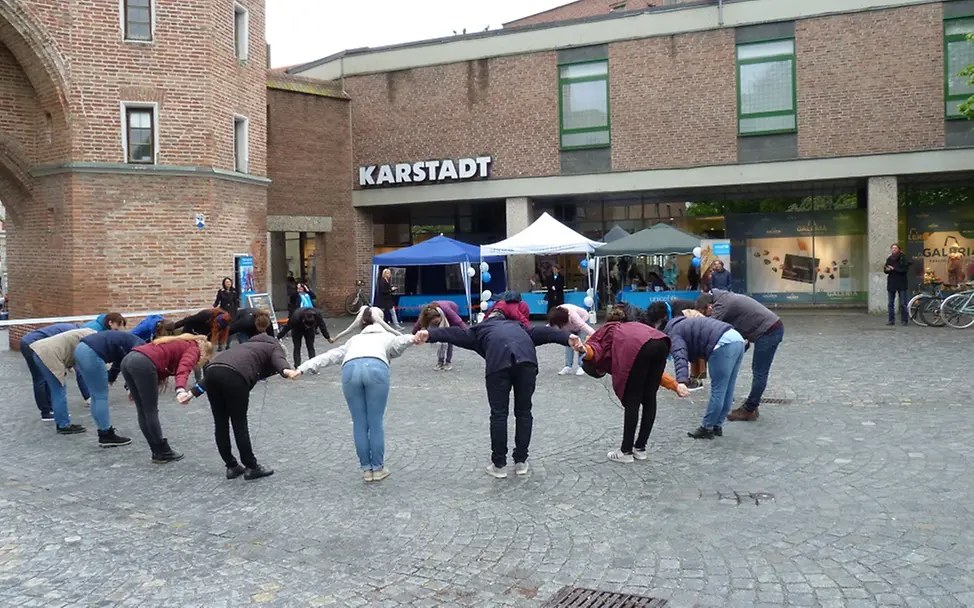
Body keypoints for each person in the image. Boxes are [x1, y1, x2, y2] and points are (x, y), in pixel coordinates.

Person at [416, 308, 578, 479]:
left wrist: (429, 334)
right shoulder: (519, 327)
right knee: (524, 413)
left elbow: (454, 333)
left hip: (498, 364)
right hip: (527, 363)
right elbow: (544, 332)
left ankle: (499, 465)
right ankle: (521, 462)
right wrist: (568, 337)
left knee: (499, 415)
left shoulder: (479, 330)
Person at [295, 307, 419, 482]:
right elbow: (400, 342)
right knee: (375, 422)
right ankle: (378, 468)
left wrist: (302, 368)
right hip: (376, 369)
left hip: (350, 370)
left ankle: (367, 470)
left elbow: (331, 355)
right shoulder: (386, 336)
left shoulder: (353, 340)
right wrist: (413, 338)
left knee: (359, 423)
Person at [180, 312, 296, 480]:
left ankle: (232, 466)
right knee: (239, 424)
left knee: (220, 424)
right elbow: (279, 360)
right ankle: (251, 467)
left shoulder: (244, 346)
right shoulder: (274, 346)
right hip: (235, 378)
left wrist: (192, 393)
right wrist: (286, 371)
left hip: (213, 371)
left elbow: (218, 369)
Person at [574, 317, 685, 463]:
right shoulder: (624, 330)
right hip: (661, 342)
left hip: (639, 347)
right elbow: (655, 374)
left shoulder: (603, 337)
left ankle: (626, 451)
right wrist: (675, 385)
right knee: (649, 398)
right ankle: (640, 449)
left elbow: (593, 352)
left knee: (632, 399)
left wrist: (583, 350)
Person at [120, 334, 215, 463]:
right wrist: (180, 389)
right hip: (142, 363)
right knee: (150, 411)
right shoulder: (194, 349)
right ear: (205, 354)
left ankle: (156, 450)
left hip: (128, 359)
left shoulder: (179, 341)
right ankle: (161, 451)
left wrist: (131, 387)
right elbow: (184, 368)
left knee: (142, 410)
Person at [697, 290, 784, 422]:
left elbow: (710, 328)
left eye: (704, 313)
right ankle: (753, 405)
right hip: (768, 328)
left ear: (709, 307)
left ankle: (749, 409)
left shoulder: (721, 305)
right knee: (758, 370)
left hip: (769, 331)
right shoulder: (724, 299)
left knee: (759, 371)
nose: (706, 316)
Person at [658, 315, 745, 440]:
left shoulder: (673, 334)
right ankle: (717, 425)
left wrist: (682, 381)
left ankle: (707, 427)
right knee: (728, 387)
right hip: (737, 339)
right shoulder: (682, 324)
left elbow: (680, 355)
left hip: (722, 344)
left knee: (718, 390)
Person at [74, 330, 145, 447]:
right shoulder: (140, 347)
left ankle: (102, 430)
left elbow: (119, 360)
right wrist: (130, 387)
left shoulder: (133, 341)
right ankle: (106, 434)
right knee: (101, 396)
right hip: (92, 353)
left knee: (95, 395)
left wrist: (111, 378)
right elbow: (130, 366)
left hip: (81, 349)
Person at [28, 327, 97, 434]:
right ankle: (63, 424)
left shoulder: (89, 333)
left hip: (41, 351)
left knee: (57, 389)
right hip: (48, 355)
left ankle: (61, 421)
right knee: (58, 390)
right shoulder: (93, 339)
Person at [646, 299, 707, 386]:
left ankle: (696, 378)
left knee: (688, 353)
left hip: (697, 329)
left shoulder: (679, 308)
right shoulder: (666, 311)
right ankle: (692, 378)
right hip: (689, 330)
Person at [413, 301, 467, 371]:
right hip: (440, 315)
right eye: (433, 323)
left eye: (436, 322)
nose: (436, 324)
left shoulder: (447, 310)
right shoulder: (427, 313)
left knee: (450, 338)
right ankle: (440, 361)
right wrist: (412, 336)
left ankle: (448, 362)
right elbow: (418, 325)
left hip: (452, 311)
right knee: (438, 336)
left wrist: (468, 332)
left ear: (439, 316)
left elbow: (459, 321)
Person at [547, 303, 595, 377]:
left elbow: (583, 325)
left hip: (583, 320)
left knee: (580, 344)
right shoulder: (555, 315)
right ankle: (568, 366)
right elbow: (548, 327)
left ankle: (581, 366)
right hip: (570, 327)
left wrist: (595, 335)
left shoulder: (572, 314)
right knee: (568, 343)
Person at [332, 304, 401, 342]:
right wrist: (401, 336)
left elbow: (348, 330)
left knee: (379, 331)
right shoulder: (360, 317)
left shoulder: (373, 317)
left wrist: (335, 338)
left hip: (379, 313)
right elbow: (389, 329)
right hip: (377, 314)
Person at [885, 243, 910, 326]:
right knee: (890, 303)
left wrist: (894, 268)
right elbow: (885, 269)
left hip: (901, 283)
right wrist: (887, 269)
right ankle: (891, 320)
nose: (893, 250)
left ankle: (904, 320)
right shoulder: (889, 258)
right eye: (892, 248)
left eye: (895, 248)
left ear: (899, 249)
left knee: (903, 303)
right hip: (892, 283)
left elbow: (904, 270)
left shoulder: (903, 258)